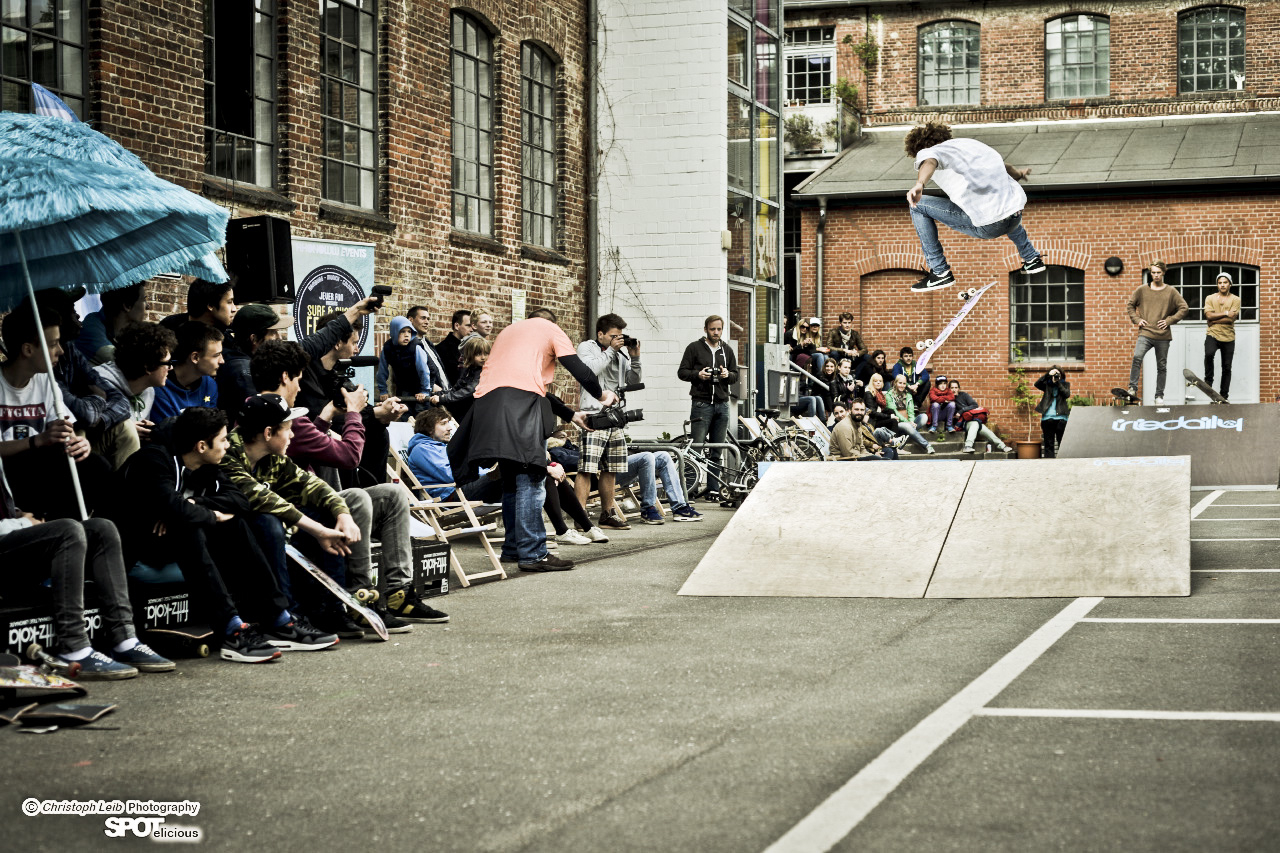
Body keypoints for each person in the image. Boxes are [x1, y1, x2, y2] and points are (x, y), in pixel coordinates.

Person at [249, 346, 446, 628]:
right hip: (296, 513)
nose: (300, 384)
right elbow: (349, 456)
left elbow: (307, 445)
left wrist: (327, 414)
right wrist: (354, 412)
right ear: (284, 377)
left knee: (391, 494)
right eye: (298, 378)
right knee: (355, 497)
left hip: (303, 501)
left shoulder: (267, 411)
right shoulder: (282, 419)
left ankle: (398, 593)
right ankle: (359, 596)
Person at [114, 406, 332, 661]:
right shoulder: (153, 460)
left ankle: (277, 618)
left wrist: (198, 505)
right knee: (191, 528)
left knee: (235, 524)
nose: (228, 445)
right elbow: (173, 508)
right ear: (201, 446)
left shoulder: (206, 466)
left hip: (171, 540)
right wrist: (206, 514)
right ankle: (231, 630)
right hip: (134, 549)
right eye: (223, 440)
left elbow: (239, 501)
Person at [449, 307, 614, 572]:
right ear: (551, 323)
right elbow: (581, 371)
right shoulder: (549, 329)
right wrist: (602, 395)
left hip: (487, 406)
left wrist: (571, 415)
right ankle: (533, 553)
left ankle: (514, 548)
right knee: (532, 475)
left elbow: (520, 382)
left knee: (513, 478)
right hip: (520, 406)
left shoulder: (508, 332)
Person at [0, 458, 172, 678]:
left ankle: (125, 639)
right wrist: (24, 524)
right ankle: (74, 647)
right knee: (68, 530)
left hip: (11, 534)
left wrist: (18, 514)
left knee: (102, 528)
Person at [0, 301, 112, 520]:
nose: (60, 351)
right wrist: (37, 441)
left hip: (39, 467)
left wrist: (77, 441)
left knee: (97, 467)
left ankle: (83, 532)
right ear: (28, 349)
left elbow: (62, 428)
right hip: (8, 472)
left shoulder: (45, 380)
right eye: (53, 344)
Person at [904, 121, 1045, 291]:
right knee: (1002, 204)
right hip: (1015, 215)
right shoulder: (969, 145)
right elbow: (1005, 166)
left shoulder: (930, 152)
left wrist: (920, 183)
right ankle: (1031, 258)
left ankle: (940, 272)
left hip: (990, 225)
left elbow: (930, 161)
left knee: (917, 205)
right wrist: (1019, 173)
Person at [33, 289, 137, 470]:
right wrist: (98, 398)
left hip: (86, 433)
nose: (78, 316)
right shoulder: (40, 367)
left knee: (125, 428)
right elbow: (82, 414)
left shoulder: (71, 351)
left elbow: (120, 401)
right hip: (56, 443)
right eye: (72, 311)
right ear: (58, 319)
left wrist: (101, 420)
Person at [575, 313, 641, 531]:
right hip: (593, 416)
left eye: (620, 336)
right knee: (586, 468)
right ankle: (580, 516)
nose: (618, 340)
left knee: (611, 469)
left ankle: (607, 513)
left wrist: (635, 358)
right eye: (613, 336)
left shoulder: (621, 355)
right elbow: (589, 372)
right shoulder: (587, 347)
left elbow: (632, 382)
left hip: (615, 416)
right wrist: (611, 350)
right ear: (600, 334)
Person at [677, 315, 738, 501]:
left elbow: (735, 375)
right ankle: (690, 489)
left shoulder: (726, 350)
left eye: (719, 329)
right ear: (706, 329)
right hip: (701, 404)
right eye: (713, 329)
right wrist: (698, 374)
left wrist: (728, 374)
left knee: (717, 450)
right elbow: (682, 372)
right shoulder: (694, 348)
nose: (716, 333)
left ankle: (713, 489)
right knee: (696, 448)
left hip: (722, 404)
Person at [95, 321, 177, 444]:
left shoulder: (148, 391)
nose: (171, 368)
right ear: (148, 367)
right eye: (167, 363)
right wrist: (126, 431)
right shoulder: (98, 385)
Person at [1125, 261, 1189, 405]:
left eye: (1158, 273)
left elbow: (1184, 308)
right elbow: (1130, 305)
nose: (1155, 275)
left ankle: (1159, 396)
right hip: (1145, 333)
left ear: (1163, 273)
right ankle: (1132, 388)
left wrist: (1169, 321)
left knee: (1161, 366)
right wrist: (1136, 319)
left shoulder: (1171, 291)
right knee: (1137, 357)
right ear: (1150, 273)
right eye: (1153, 273)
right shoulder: (1142, 290)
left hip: (1163, 336)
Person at [408, 407, 501, 503]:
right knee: (506, 473)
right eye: (443, 424)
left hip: (462, 488)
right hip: (450, 495)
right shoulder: (422, 449)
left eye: (448, 423)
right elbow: (451, 475)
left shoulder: (444, 446)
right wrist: (488, 475)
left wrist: (489, 473)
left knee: (509, 478)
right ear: (429, 429)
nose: (449, 428)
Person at [219, 303, 293, 426]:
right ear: (254, 339)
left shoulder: (240, 359)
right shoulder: (243, 373)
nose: (279, 337)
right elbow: (260, 419)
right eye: (273, 332)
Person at [150, 322, 223, 420]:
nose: (222, 361)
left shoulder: (209, 385)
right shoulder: (159, 387)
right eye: (216, 355)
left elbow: (214, 426)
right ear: (195, 357)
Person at [615, 450, 704, 523]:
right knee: (646, 457)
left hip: (622, 463)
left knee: (664, 456)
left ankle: (679, 508)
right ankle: (648, 509)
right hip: (608, 472)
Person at [76, 281, 146, 365]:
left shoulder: (126, 332)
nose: (148, 306)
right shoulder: (91, 327)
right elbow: (129, 365)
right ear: (127, 306)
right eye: (144, 299)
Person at [376, 315, 432, 414]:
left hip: (422, 385)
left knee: (421, 414)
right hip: (403, 386)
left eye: (409, 332)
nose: (407, 335)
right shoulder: (388, 348)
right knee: (404, 413)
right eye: (402, 331)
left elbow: (424, 370)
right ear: (395, 332)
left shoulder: (415, 347)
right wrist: (383, 391)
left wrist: (424, 391)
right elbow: (382, 371)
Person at [431, 335, 489, 423]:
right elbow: (456, 388)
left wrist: (443, 398)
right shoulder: (469, 369)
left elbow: (469, 390)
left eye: (486, 353)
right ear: (471, 355)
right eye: (478, 354)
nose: (483, 357)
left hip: (479, 413)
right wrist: (437, 394)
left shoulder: (484, 371)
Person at [1204, 272, 1240, 401]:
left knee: (1226, 367)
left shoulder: (1235, 299)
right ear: (1217, 284)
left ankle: (1224, 395)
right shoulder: (1210, 298)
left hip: (1229, 337)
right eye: (1220, 283)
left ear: (1230, 284)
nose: (1222, 285)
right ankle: (1208, 380)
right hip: (1212, 334)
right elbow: (1208, 316)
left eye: (1225, 282)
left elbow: (1231, 320)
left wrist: (1214, 320)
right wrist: (1225, 313)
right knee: (1209, 354)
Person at [950, 379, 1011, 454]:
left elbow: (974, 405)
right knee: (976, 424)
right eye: (952, 388)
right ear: (949, 389)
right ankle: (968, 446)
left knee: (985, 429)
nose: (954, 390)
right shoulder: (948, 399)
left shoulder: (963, 395)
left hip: (972, 420)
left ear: (959, 388)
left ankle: (1002, 446)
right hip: (962, 423)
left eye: (956, 388)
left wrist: (961, 410)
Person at [830, 399, 902, 460]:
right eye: (856, 409)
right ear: (850, 410)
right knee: (884, 461)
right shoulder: (844, 426)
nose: (859, 412)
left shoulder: (857, 424)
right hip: (844, 461)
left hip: (856, 457)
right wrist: (870, 456)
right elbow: (848, 453)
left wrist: (871, 454)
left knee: (889, 455)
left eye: (862, 410)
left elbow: (861, 448)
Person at [159, 277, 236, 332]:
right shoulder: (168, 327)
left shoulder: (227, 336)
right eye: (229, 302)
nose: (234, 309)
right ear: (211, 305)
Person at [404, 305, 451, 395]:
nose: (427, 322)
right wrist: (433, 387)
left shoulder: (428, 343)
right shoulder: (407, 345)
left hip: (443, 394)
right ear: (410, 320)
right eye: (423, 318)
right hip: (425, 398)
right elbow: (408, 375)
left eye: (428, 319)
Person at [885, 373, 934, 454]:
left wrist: (912, 421)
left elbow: (911, 412)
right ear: (895, 383)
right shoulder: (889, 395)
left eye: (904, 383)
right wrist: (908, 422)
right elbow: (894, 411)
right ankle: (927, 445)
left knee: (924, 417)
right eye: (900, 383)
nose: (902, 385)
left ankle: (906, 435)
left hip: (909, 422)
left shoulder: (908, 395)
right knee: (908, 426)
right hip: (897, 422)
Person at [1034, 366, 1071, 458]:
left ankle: (1063, 465)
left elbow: (1066, 394)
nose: (1056, 376)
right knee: (1048, 445)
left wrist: (1058, 383)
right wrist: (1047, 375)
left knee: (1062, 444)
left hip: (1061, 419)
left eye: (1058, 374)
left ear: (1061, 375)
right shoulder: (1047, 385)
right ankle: (1049, 466)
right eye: (1054, 374)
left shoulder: (1065, 384)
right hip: (1047, 418)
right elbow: (1037, 384)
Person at [436, 309, 473, 386]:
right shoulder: (442, 349)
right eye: (468, 326)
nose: (472, 329)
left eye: (473, 326)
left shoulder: (470, 346)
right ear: (457, 326)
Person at [891, 346, 931, 410]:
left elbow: (926, 375)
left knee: (927, 383)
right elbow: (895, 376)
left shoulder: (916, 364)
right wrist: (909, 386)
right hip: (904, 388)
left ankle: (916, 404)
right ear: (901, 358)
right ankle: (907, 404)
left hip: (915, 387)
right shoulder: (898, 365)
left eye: (910, 356)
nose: (908, 358)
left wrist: (916, 385)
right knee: (896, 383)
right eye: (906, 356)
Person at [926, 375, 956, 439]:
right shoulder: (933, 390)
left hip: (945, 414)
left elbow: (952, 397)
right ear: (937, 385)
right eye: (940, 384)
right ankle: (934, 426)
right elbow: (933, 398)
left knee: (952, 404)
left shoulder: (948, 390)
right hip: (935, 415)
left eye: (944, 383)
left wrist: (939, 398)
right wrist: (945, 399)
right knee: (935, 404)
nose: (943, 385)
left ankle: (949, 426)